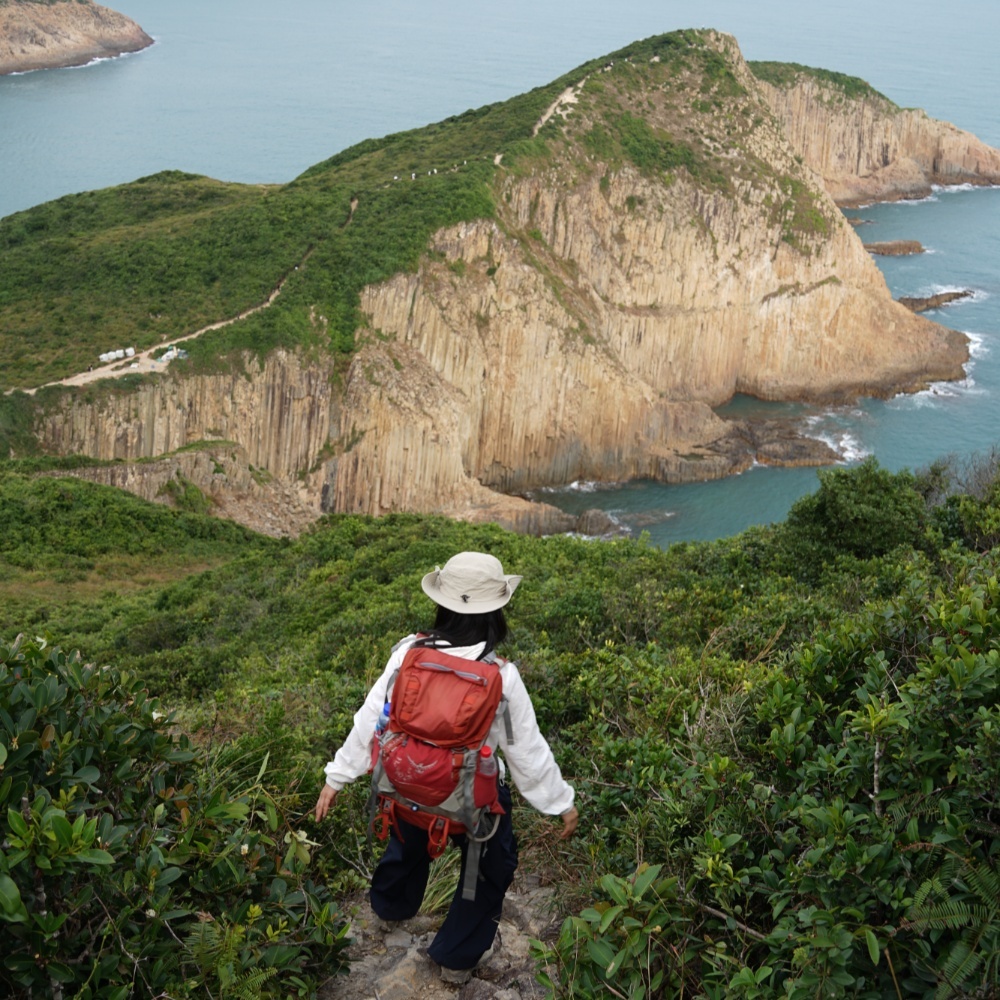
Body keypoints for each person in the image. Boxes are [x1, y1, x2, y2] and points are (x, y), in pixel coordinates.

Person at [314, 551, 578, 983]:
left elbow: (371, 717)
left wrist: (336, 777)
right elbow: (526, 752)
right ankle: (456, 958)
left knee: (408, 831)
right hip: (470, 805)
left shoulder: (408, 652)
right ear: (496, 612)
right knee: (495, 865)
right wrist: (560, 803)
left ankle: (388, 909)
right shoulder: (501, 676)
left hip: (407, 786)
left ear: (442, 603)